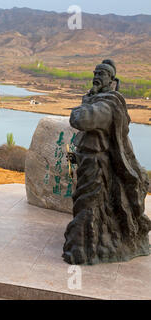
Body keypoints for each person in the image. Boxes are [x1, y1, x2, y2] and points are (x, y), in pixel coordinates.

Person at [63, 59, 150, 265]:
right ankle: (90, 245)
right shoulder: (99, 99)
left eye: (102, 74)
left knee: (89, 205)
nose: (96, 76)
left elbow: (80, 119)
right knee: (87, 204)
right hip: (88, 161)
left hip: (97, 166)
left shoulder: (107, 105)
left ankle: (84, 248)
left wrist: (86, 102)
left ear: (112, 81)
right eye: (95, 72)